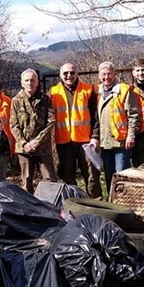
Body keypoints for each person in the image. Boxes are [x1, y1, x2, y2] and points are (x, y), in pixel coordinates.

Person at [49, 62, 103, 199]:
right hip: (64, 142)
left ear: (77, 73)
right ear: (60, 75)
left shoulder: (89, 90)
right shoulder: (53, 92)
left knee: (92, 176)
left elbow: (96, 117)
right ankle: (74, 206)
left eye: (72, 72)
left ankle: (96, 204)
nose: (69, 76)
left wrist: (95, 136)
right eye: (65, 73)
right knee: (68, 177)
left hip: (86, 142)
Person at [96, 61, 141, 195]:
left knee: (121, 174)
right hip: (104, 143)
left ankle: (125, 201)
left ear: (114, 73)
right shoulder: (97, 92)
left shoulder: (124, 89)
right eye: (103, 74)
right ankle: (112, 202)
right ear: (99, 75)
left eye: (109, 73)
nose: (107, 77)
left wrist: (131, 135)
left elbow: (133, 114)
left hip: (121, 141)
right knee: (109, 175)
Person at [9, 69, 57, 193]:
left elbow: (51, 121)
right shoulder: (16, 101)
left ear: (37, 83)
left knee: (50, 179)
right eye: (27, 80)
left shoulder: (45, 99)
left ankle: (50, 207)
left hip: (43, 147)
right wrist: (24, 143)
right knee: (26, 181)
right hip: (24, 149)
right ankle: (28, 208)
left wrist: (37, 141)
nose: (29, 83)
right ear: (22, 83)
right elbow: (13, 125)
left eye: (32, 80)